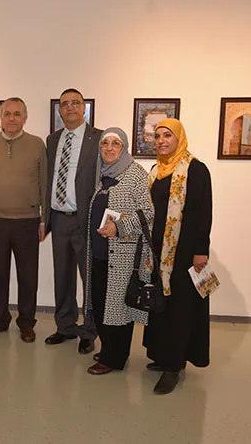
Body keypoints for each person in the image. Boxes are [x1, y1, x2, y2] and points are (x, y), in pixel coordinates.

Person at [144, 118, 213, 395]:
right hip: (157, 252)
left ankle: (174, 365)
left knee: (180, 309)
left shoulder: (195, 169)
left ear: (179, 138)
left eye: (167, 136)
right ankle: (163, 355)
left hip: (183, 253)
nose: (161, 141)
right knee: (161, 305)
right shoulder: (156, 171)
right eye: (157, 136)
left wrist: (201, 250)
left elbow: (203, 213)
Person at [0, 97, 47, 343]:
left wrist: (43, 220)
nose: (12, 118)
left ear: (25, 117)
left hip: (27, 221)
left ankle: (26, 323)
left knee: (28, 277)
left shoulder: (36, 144)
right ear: (1, 117)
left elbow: (44, 183)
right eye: (7, 114)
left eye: (17, 114)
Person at [83, 128, 153, 375]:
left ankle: (115, 358)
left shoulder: (135, 174)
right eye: (105, 143)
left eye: (116, 143)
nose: (109, 148)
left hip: (123, 255)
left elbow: (148, 212)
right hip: (100, 253)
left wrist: (119, 227)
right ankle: (109, 349)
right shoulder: (103, 173)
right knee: (102, 304)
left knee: (119, 309)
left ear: (124, 148)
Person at [44, 88, 103, 355]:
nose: (70, 107)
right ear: (59, 110)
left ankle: (89, 331)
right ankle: (65, 326)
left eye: (75, 103)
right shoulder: (53, 140)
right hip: (59, 219)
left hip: (86, 221)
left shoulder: (98, 138)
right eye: (65, 104)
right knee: (63, 276)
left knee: (89, 279)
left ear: (84, 108)